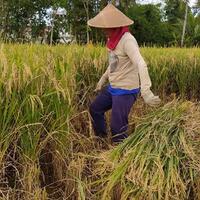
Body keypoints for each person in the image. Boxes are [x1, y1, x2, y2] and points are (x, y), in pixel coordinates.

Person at [88, 3, 161, 143]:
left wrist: (146, 91)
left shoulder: (127, 40)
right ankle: (102, 139)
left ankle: (121, 155)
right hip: (113, 87)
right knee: (95, 109)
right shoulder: (112, 39)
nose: (103, 30)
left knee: (117, 128)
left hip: (126, 90)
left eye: (106, 27)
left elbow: (141, 63)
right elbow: (114, 63)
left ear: (115, 26)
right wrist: (102, 79)